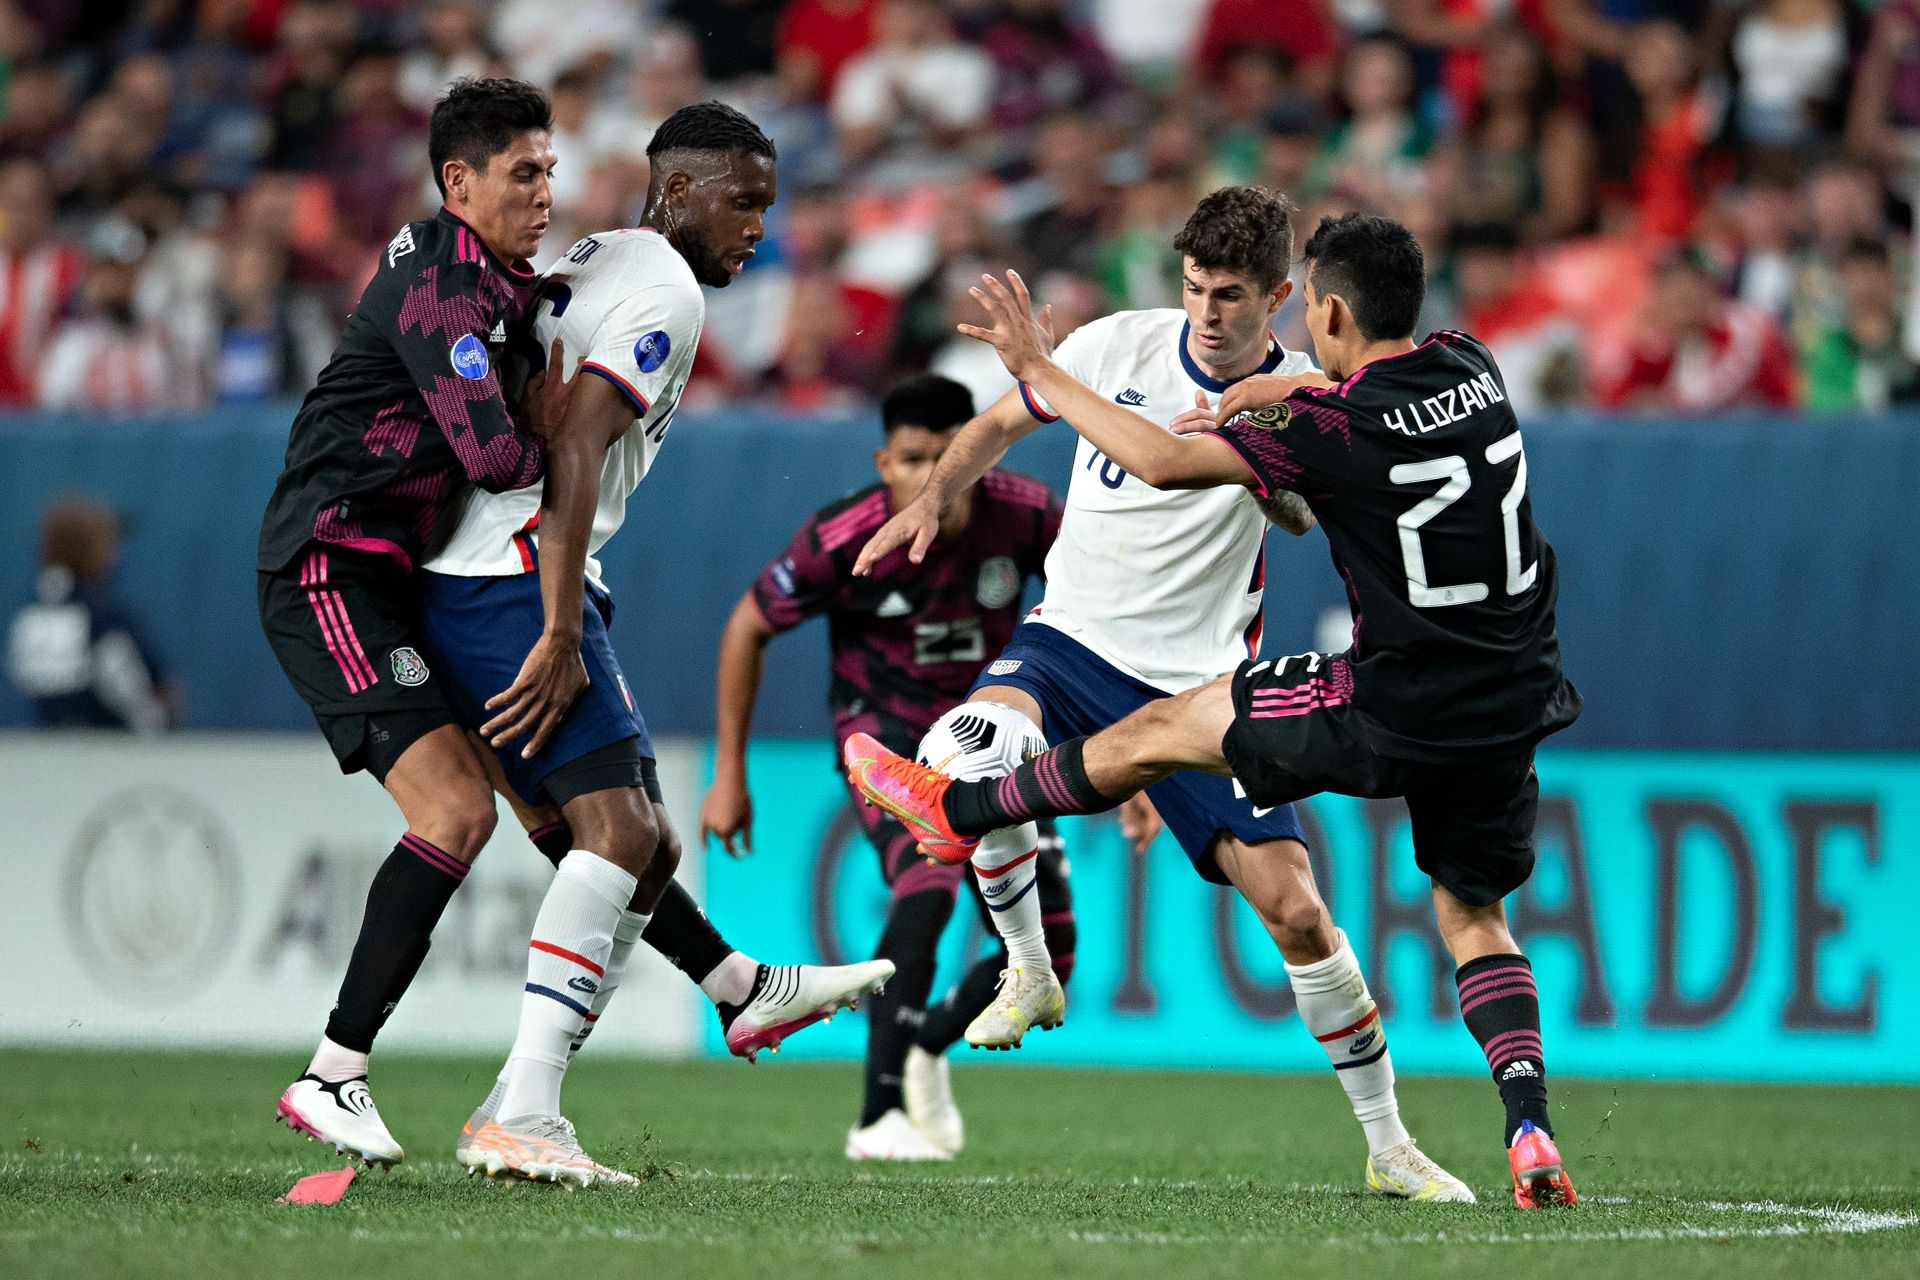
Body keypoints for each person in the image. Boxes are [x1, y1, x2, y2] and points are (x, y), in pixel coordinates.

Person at [846, 212, 1584, 1210]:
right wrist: (941, 490)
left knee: (1295, 908)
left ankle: (1390, 1142)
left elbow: (1186, 460)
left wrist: (1076, 375)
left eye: (1230, 290)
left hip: (1233, 670)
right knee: (966, 745)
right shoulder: (1465, 364)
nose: (1205, 306)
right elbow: (1005, 423)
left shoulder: (1309, 427)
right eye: (1194, 283)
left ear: (1297, 300)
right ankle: (1026, 960)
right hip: (1087, 645)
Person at [417, 102, 890, 1186]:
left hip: (480, 564)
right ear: (677, 190)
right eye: (745, 202)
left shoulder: (597, 255)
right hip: (516, 573)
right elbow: (579, 437)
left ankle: (729, 990)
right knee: (621, 831)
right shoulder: (664, 286)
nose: (759, 228)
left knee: (636, 842)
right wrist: (560, 619)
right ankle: (526, 1105)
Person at [256, 77, 558, 1173]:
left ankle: (722, 983)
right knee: (455, 805)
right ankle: (333, 1068)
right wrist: (575, 433)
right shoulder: (442, 290)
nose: (544, 190)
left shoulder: (483, 274)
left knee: (528, 801)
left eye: (550, 169)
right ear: (458, 182)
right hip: (331, 566)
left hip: (398, 574)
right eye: (523, 172)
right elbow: (495, 457)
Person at [699, 373, 1074, 1161]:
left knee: (1049, 953)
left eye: (950, 457)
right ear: (883, 463)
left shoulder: (1029, 514)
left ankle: (930, 1045)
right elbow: (745, 625)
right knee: (929, 883)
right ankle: (877, 1117)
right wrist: (729, 772)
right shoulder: (844, 536)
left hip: (992, 730)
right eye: (912, 459)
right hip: (887, 738)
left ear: (978, 453)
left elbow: (1097, 616)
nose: (932, 477)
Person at [6, 496, 175, 731]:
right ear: (90, 550)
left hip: (51, 754)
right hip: (115, 757)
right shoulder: (106, 619)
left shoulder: (28, 615)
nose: (116, 553)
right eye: (109, 542)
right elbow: (153, 701)